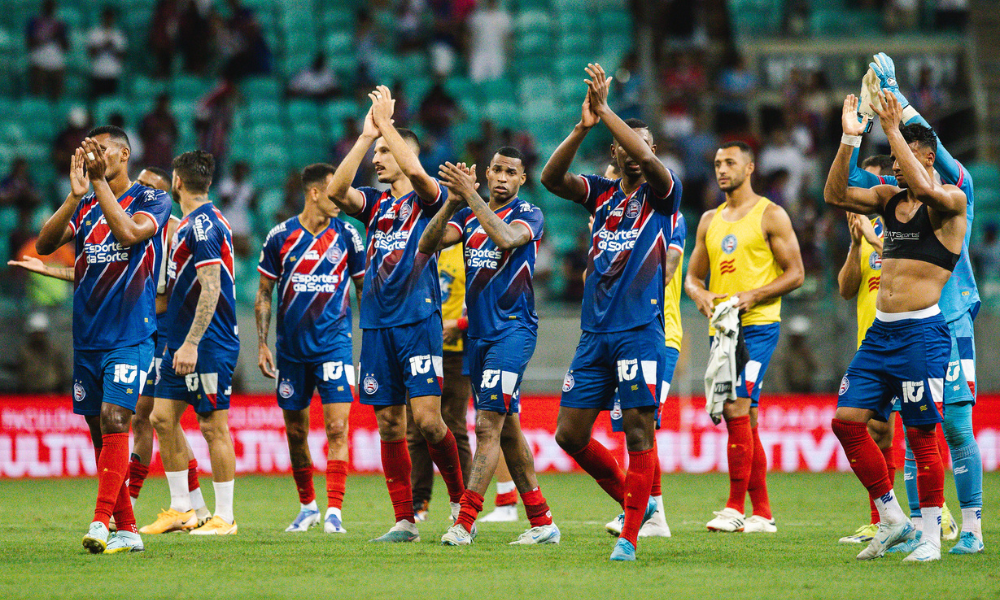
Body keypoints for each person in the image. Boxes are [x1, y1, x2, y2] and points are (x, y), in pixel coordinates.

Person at [7, 166, 209, 525]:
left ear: (163, 191)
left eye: (148, 186)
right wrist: (50, 269)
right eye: (140, 182)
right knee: (148, 418)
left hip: (157, 329)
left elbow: (181, 287)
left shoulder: (171, 227)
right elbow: (98, 270)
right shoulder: (103, 211)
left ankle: (177, 505)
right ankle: (176, 505)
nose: (140, 189)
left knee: (154, 418)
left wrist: (187, 336)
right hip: (127, 327)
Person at [840, 54, 982, 555]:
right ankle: (893, 517)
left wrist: (893, 113)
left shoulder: (954, 196)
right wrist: (850, 138)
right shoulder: (889, 201)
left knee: (937, 431)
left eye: (900, 155)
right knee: (847, 422)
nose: (893, 162)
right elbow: (837, 191)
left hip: (932, 327)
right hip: (881, 331)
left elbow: (925, 179)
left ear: (924, 154)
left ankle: (948, 533)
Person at [540, 64, 682, 561]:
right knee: (569, 434)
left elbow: (644, 151)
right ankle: (632, 503)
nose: (635, 150)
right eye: (623, 142)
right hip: (594, 334)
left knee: (639, 432)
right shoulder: (601, 196)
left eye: (643, 144)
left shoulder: (664, 197)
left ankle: (630, 537)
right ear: (612, 152)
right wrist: (583, 127)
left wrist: (608, 111)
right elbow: (549, 177)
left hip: (640, 332)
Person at [326, 85, 465, 543]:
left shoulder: (430, 200)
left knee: (427, 420)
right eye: (377, 152)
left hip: (418, 321)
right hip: (377, 324)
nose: (377, 159)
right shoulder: (377, 204)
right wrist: (366, 136)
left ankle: (461, 503)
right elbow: (334, 192)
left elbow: (422, 179)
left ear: (407, 152)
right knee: (389, 422)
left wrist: (386, 125)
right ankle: (404, 519)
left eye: (386, 152)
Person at [34, 125, 172, 554]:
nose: (92, 156)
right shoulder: (86, 202)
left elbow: (129, 235)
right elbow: (44, 244)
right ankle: (128, 530)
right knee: (100, 433)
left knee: (117, 419)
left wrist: (96, 184)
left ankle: (99, 522)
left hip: (131, 333)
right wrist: (76, 195)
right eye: (87, 151)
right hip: (88, 337)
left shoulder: (153, 198)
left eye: (100, 150)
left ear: (123, 153)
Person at [419, 148, 559, 546]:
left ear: (521, 180)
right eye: (495, 169)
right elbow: (428, 244)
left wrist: (472, 197)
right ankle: (543, 521)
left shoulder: (529, 214)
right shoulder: (467, 215)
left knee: (486, 424)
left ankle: (464, 521)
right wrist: (452, 201)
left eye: (510, 171)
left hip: (512, 332)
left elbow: (506, 236)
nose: (501, 176)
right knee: (508, 428)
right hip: (478, 337)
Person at [683, 140, 804, 534]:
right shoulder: (708, 220)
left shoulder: (771, 215)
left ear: (750, 167)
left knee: (735, 406)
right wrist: (701, 295)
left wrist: (754, 294)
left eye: (730, 162)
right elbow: (692, 277)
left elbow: (796, 273)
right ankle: (763, 513)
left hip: (760, 326)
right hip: (724, 331)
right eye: (717, 163)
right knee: (746, 417)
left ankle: (735, 506)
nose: (721, 169)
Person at [255, 163, 365, 534]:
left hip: (334, 346)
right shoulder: (279, 237)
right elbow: (264, 294)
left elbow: (364, 291)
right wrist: (262, 344)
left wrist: (372, 343)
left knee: (337, 427)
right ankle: (307, 507)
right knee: (296, 431)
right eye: (336, 190)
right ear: (315, 192)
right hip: (290, 351)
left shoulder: (349, 235)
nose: (342, 196)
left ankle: (334, 513)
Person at [149, 150, 241, 536]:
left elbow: (212, 288)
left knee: (211, 426)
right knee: (161, 418)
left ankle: (224, 517)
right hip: (180, 341)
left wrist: (190, 344)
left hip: (208, 343)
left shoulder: (203, 226)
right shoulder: (190, 224)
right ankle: (182, 508)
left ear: (177, 181)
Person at [605, 209, 687, 539]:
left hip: (659, 335)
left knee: (644, 422)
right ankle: (653, 514)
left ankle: (651, 515)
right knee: (631, 425)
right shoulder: (609, 226)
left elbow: (665, 271)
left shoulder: (669, 217)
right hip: (621, 336)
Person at [409, 242, 474, 523]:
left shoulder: (469, 248)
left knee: (454, 424)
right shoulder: (421, 245)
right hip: (421, 346)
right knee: (415, 428)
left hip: (457, 350)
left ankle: (465, 501)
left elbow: (486, 302)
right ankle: (418, 502)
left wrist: (458, 325)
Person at [15, 312, 69, 394]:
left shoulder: (55, 350)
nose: (38, 337)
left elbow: (63, 370)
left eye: (41, 333)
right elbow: (20, 372)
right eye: (36, 333)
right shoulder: (24, 351)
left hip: (52, 392)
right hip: (29, 393)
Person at [27, 0, 69, 99]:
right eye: (47, 6)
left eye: (52, 7)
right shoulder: (35, 22)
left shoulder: (60, 24)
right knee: (37, 96)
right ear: (43, 7)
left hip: (57, 63)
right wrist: (46, 36)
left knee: (57, 96)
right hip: (39, 62)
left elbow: (66, 46)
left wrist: (57, 34)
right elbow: (29, 43)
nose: (49, 9)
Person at [86, 7, 127, 98]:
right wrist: (103, 46)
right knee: (97, 99)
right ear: (102, 18)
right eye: (106, 18)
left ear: (113, 19)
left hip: (113, 73)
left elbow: (122, 56)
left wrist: (112, 48)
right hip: (98, 72)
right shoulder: (94, 32)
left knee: (110, 101)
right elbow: (91, 54)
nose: (108, 20)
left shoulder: (118, 34)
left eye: (110, 18)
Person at [467, 0, 511, 82]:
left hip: (497, 54)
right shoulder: (476, 17)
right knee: (476, 80)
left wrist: (507, 57)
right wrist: (469, 55)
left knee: (496, 82)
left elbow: (506, 39)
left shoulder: (503, 17)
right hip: (479, 54)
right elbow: (471, 38)